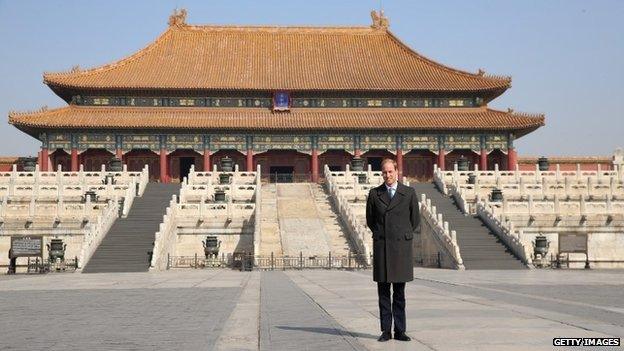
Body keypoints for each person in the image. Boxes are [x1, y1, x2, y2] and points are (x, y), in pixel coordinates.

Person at [366, 158, 419, 342]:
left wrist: (400, 234)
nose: (387, 175)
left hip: (400, 249)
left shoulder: (409, 193)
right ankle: (386, 331)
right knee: (383, 293)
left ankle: (400, 330)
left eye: (390, 172)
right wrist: (383, 234)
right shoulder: (374, 194)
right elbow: (370, 221)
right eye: (384, 172)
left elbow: (415, 220)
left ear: (397, 171)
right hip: (383, 247)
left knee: (399, 293)